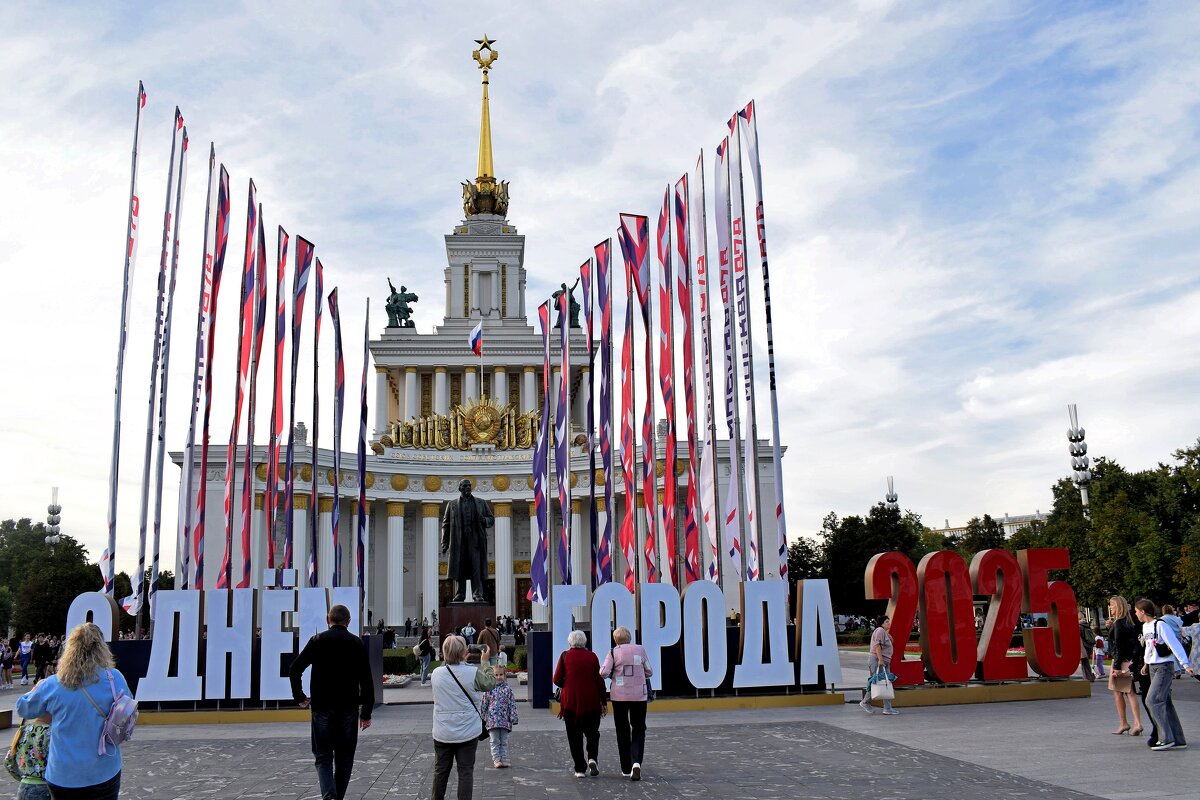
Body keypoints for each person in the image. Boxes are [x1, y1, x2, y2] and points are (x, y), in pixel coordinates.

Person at [15, 623, 129, 799]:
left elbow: (24, 708)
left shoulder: (54, 684)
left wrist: (36, 688)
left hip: (63, 775)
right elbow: (127, 711)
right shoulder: (115, 678)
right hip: (105, 769)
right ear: (102, 648)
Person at [289, 604, 375, 800]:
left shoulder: (318, 641)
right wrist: (367, 713)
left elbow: (295, 669)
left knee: (323, 756)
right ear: (349, 622)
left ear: (328, 620)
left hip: (322, 707)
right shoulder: (356, 643)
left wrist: (300, 697)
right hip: (348, 709)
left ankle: (330, 797)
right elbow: (367, 681)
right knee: (345, 759)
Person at [431, 635, 494, 800]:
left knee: (440, 771)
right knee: (465, 772)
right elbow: (489, 683)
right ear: (463, 652)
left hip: (442, 731)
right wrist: (485, 661)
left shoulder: (436, 674)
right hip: (467, 731)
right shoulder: (472, 672)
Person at [1134, 598, 1194, 751]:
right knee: (1165, 703)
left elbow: (1174, 644)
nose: (1135, 614)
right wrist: (1146, 664)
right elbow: (1148, 647)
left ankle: (1166, 738)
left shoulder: (1160, 625)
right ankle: (1179, 739)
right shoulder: (1145, 627)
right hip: (1153, 667)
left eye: (1136, 611)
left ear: (1142, 611)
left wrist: (1185, 665)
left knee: (1152, 700)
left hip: (1164, 667)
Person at [600, 626, 651, 780]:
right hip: (639, 696)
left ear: (616, 640)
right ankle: (637, 762)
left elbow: (603, 673)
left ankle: (626, 768)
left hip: (619, 697)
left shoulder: (613, 652)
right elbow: (649, 671)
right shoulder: (640, 649)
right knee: (639, 728)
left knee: (622, 730)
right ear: (629, 637)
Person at [554, 630, 606, 779]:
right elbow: (599, 680)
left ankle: (579, 769)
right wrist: (603, 701)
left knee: (574, 736)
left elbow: (556, 679)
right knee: (592, 733)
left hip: (571, 702)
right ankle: (592, 759)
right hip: (591, 702)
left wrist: (568, 683)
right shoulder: (592, 656)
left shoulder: (565, 656)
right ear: (585, 642)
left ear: (570, 642)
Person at [441, 480, 494, 602]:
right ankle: (460, 593)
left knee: (476, 568)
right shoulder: (452, 505)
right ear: (459, 488)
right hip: (459, 543)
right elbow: (446, 524)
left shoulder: (481, 503)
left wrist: (484, 520)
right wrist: (444, 543)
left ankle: (477, 594)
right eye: (465, 486)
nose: (468, 488)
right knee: (460, 568)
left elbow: (491, 519)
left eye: (469, 486)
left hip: (475, 542)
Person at [1106, 596, 1143, 736]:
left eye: (1112, 605)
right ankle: (1136, 723)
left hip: (1120, 662)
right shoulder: (1129, 623)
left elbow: (1118, 647)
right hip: (1128, 661)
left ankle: (1124, 723)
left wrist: (1116, 667)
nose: (1110, 607)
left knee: (1119, 693)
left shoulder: (1118, 624)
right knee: (1130, 693)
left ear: (1118, 607)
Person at [480, 662, 518, 768]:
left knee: (504, 741)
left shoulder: (508, 689)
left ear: (505, 676)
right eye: (496, 675)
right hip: (492, 720)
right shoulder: (489, 689)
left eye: (501, 675)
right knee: (494, 740)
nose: (498, 677)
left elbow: (512, 704)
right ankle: (496, 759)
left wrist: (513, 717)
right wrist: (482, 715)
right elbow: (484, 703)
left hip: (505, 720)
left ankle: (504, 758)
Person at [860, 615, 898, 715]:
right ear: (881, 623)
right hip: (878, 660)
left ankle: (887, 708)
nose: (889, 623)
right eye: (886, 621)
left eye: (888, 621)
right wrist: (880, 660)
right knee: (878, 682)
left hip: (885, 661)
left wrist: (889, 638)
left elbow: (886, 645)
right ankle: (865, 702)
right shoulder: (880, 630)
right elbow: (877, 646)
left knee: (885, 683)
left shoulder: (883, 632)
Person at [11, 712, 51, 800]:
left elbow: (9, 762)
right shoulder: (50, 732)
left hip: (23, 786)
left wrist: (23, 777)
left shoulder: (23, 730)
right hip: (44, 788)